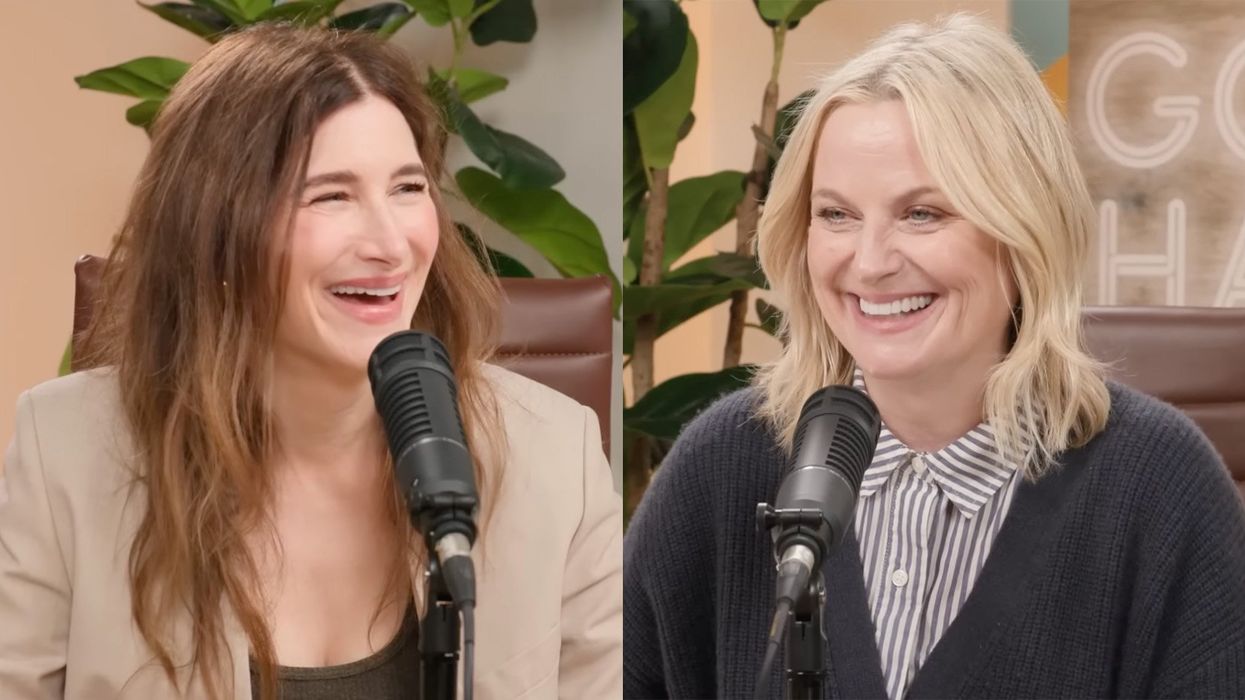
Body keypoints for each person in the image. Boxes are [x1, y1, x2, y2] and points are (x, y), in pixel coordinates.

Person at [624, 14, 1245, 699]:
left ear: (1024, 229)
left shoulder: (1161, 489)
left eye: (922, 214)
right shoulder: (721, 466)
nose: (869, 262)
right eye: (835, 215)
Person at [0, 23, 621, 700]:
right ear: (216, 229)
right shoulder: (63, 453)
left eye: (407, 188)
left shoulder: (554, 456)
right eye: (331, 195)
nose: (391, 244)